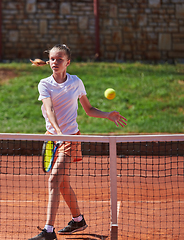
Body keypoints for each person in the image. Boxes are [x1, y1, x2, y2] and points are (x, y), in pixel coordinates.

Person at [29, 44, 127, 240]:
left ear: (68, 62)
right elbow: (50, 110)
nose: (55, 62)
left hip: (71, 138)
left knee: (54, 180)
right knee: (63, 184)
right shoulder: (44, 84)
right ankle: (78, 220)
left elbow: (89, 109)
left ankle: (49, 231)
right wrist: (57, 133)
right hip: (53, 137)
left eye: (59, 59)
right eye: (52, 59)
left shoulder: (76, 82)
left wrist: (108, 115)